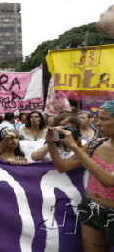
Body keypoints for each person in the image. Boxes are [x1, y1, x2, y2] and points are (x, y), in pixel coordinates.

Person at [47, 100, 114, 251]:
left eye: (104, 119)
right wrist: (51, 143)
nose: (97, 124)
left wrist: (74, 147)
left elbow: (108, 180)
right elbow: (63, 167)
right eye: (97, 118)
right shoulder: (94, 144)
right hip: (91, 210)